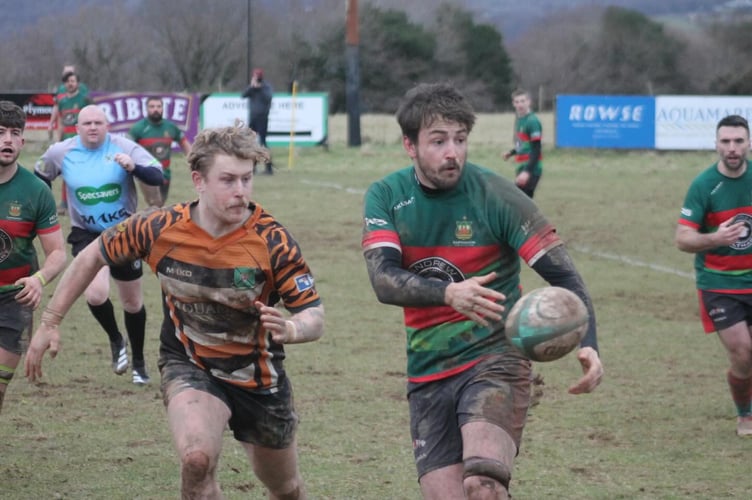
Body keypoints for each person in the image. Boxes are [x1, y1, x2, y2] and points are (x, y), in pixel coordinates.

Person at [25, 124, 325, 499]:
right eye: (228, 180)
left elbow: (314, 314)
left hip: (258, 378)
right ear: (198, 180)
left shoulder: (272, 240)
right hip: (190, 363)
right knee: (196, 460)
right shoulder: (160, 228)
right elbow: (91, 256)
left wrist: (294, 328)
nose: (241, 191)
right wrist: (50, 322)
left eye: (247, 179)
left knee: (285, 489)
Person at [361, 82, 603, 499]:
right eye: (438, 141)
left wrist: (590, 343)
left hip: (496, 359)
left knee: (483, 484)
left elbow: (566, 278)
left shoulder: (499, 195)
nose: (452, 152)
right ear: (410, 145)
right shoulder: (386, 195)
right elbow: (383, 279)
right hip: (428, 370)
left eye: (460, 139)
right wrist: (448, 294)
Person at [34, 104, 163, 386]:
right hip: (86, 234)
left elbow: (157, 175)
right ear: (77, 128)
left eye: (98, 123)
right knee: (95, 294)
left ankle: (139, 363)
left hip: (124, 233)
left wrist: (134, 167)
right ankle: (116, 340)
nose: (93, 127)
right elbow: (38, 179)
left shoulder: (124, 147)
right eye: (87, 123)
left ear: (108, 126)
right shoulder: (62, 152)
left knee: (132, 302)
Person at [675, 114, 752, 437]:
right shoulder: (704, 185)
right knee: (743, 352)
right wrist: (715, 239)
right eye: (725, 142)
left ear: (748, 143)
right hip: (719, 284)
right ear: (716, 144)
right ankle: (745, 415)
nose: (732, 148)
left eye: (738, 141)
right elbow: (683, 238)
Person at [0, 101, 67, 414]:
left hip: (14, 301)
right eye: (0, 133)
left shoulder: (36, 190)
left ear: (23, 141)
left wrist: (40, 279)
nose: (8, 140)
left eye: (15, 133)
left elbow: (56, 252)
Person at [128, 96, 192, 204]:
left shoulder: (170, 127)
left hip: (165, 173)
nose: (155, 109)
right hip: (147, 172)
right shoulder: (138, 128)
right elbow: (127, 146)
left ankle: (149, 220)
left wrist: (193, 160)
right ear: (147, 109)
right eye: (152, 106)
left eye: (158, 106)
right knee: (155, 203)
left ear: (163, 108)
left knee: (160, 204)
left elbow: (184, 142)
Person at [50, 69, 92, 215]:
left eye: (73, 81)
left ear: (77, 83)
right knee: (66, 172)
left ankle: (84, 203)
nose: (70, 84)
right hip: (67, 143)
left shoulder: (84, 99)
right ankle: (64, 204)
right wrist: (58, 140)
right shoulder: (62, 101)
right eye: (68, 81)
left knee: (83, 173)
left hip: (82, 143)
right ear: (65, 84)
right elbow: (61, 122)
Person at [502, 89, 543, 198]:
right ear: (513, 104)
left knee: (520, 202)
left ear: (528, 102)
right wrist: (511, 152)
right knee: (522, 203)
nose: (520, 104)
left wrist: (527, 172)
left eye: (522, 101)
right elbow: (522, 143)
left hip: (531, 168)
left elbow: (536, 149)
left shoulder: (532, 121)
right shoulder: (520, 120)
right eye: (517, 101)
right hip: (521, 167)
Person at [242, 68, 274, 175]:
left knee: (262, 143)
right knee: (250, 143)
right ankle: (253, 167)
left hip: (262, 118)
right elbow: (243, 95)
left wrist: (259, 88)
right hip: (253, 119)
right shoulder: (252, 88)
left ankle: (268, 168)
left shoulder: (266, 87)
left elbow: (268, 98)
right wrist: (252, 87)